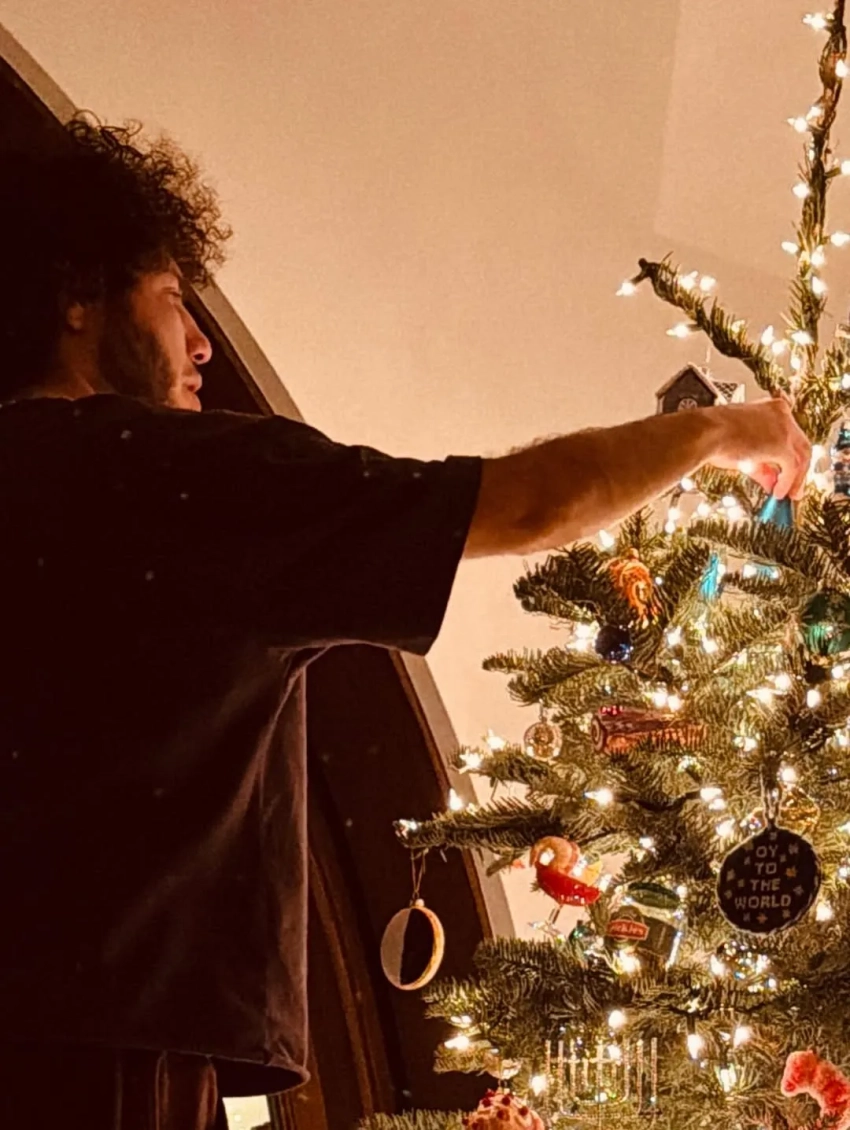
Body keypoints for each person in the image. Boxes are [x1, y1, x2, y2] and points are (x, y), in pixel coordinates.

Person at [0, 112, 810, 1130]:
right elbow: (528, 503)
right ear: (77, 294)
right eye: (169, 297)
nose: (200, 342)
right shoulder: (178, 480)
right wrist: (723, 428)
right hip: (103, 1058)